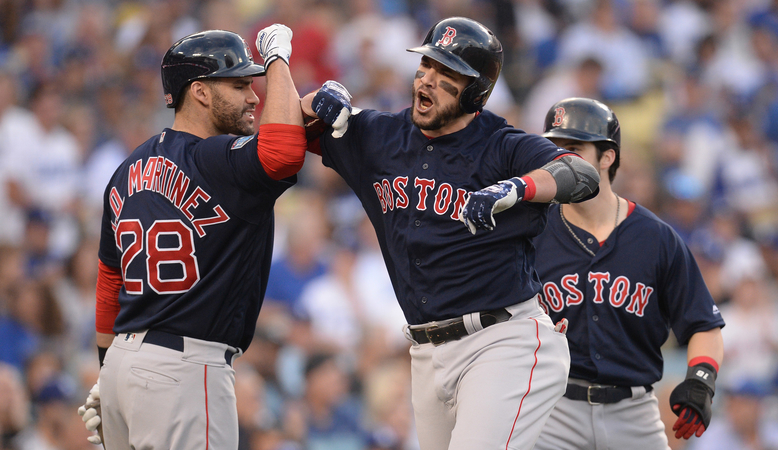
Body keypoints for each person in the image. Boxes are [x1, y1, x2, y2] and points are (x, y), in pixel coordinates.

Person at [292, 17, 600, 450]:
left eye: (448, 74)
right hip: (425, 351)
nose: (429, 79)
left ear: (476, 91)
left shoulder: (501, 145)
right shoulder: (381, 135)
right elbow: (287, 126)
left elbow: (581, 174)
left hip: (502, 341)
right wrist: (318, 99)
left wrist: (516, 187)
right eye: (427, 66)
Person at [76, 26, 319, 449]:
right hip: (185, 372)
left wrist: (107, 373)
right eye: (240, 84)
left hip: (123, 364)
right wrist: (278, 57)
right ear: (201, 92)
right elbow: (282, 151)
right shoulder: (220, 160)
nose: (254, 96)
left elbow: (109, 285)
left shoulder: (126, 168)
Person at [530, 98, 726, 449]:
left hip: (633, 412)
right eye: (553, 148)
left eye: (573, 148)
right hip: (552, 409)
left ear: (607, 157)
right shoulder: (531, 232)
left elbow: (703, 323)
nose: (559, 160)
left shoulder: (656, 238)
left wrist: (701, 378)